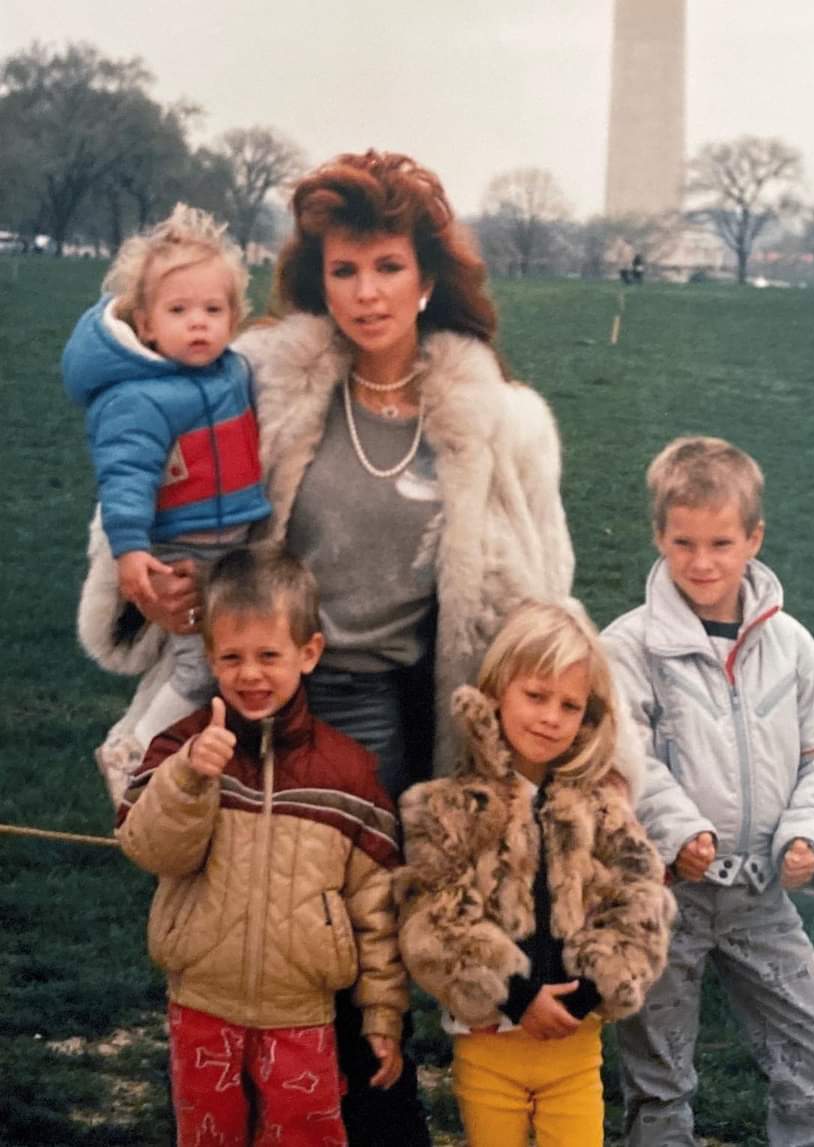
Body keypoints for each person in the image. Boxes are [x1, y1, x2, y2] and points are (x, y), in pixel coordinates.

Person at [77, 150, 575, 1146]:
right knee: (280, 980)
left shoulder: (501, 422)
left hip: (411, 723)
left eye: (387, 266)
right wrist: (162, 583)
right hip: (269, 706)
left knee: (375, 978)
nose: (366, 292)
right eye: (344, 270)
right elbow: (143, 491)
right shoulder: (253, 381)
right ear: (319, 278)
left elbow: (542, 598)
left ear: (428, 276)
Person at [603, 436, 814, 1147]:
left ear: (754, 537)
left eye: (722, 542)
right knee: (659, 1081)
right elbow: (621, 759)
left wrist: (808, 834)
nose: (702, 561)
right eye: (683, 542)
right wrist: (676, 833)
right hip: (661, 900)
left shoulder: (794, 648)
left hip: (761, 898)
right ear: (659, 535)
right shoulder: (628, 648)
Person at [116, 548, 406, 1147]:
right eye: (232, 657)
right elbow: (151, 850)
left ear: (309, 653)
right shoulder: (180, 746)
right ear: (210, 658)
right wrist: (190, 778)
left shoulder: (348, 772)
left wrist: (381, 1013)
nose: (251, 674)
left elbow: (375, 908)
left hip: (302, 1015)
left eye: (268, 656)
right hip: (201, 1006)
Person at [393, 600, 675, 1147]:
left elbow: (642, 906)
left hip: (574, 1047)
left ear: (587, 718)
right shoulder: (451, 808)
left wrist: (588, 994)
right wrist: (518, 996)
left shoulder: (602, 809)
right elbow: (434, 920)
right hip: (488, 1043)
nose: (550, 717)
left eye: (569, 706)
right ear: (498, 690)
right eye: (536, 696)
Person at [63, 204, 270, 801]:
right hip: (180, 550)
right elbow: (124, 480)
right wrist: (131, 556)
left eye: (213, 310)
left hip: (225, 545)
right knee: (200, 668)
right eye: (179, 311)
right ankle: (137, 753)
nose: (199, 324)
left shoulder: (228, 372)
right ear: (147, 324)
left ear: (235, 316)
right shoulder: (139, 399)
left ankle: (130, 736)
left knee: (188, 662)